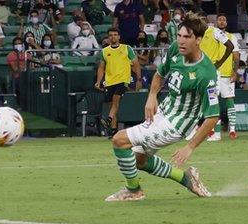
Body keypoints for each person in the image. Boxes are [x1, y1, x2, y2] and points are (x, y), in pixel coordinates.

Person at [105, 14, 218, 201]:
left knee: (119, 140)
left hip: (176, 125)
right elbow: (159, 74)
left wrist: (190, 147)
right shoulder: (175, 49)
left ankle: (133, 190)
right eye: (179, 35)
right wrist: (151, 96)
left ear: (198, 40)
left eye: (187, 37)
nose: (181, 41)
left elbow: (212, 116)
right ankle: (186, 179)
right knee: (138, 160)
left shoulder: (206, 74)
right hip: (162, 112)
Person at [95, 28, 142, 137]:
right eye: (111, 35)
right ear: (108, 37)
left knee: (116, 101)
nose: (113, 37)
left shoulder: (126, 48)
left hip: (123, 80)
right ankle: (113, 131)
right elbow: (101, 67)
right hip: (109, 81)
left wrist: (139, 79)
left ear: (119, 37)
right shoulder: (104, 51)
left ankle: (108, 120)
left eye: (115, 35)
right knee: (111, 106)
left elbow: (136, 64)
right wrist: (98, 81)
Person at [198, 12, 235, 141]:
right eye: (199, 19)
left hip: (212, 72)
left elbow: (230, 46)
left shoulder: (214, 31)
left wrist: (220, 62)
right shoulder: (196, 34)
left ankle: (216, 133)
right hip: (199, 71)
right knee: (203, 102)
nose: (201, 21)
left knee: (213, 101)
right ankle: (205, 131)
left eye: (203, 19)